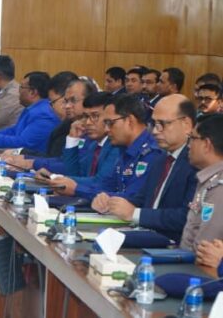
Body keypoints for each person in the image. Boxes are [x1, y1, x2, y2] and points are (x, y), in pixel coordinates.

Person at [92, 95, 197, 242]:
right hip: (147, 235)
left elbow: (186, 217)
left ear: (186, 124)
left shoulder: (195, 163)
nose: (155, 131)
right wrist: (109, 201)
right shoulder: (162, 158)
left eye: (162, 124)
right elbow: (141, 199)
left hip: (172, 244)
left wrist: (134, 214)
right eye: (153, 123)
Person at [81, 94, 166, 201]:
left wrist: (76, 189)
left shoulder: (152, 153)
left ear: (129, 121)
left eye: (110, 123)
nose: (106, 129)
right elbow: (105, 186)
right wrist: (75, 189)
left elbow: (134, 198)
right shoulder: (123, 148)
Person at [0, 71, 60, 153]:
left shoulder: (44, 114)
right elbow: (14, 130)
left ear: (32, 92)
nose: (18, 91)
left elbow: (23, 142)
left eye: (21, 87)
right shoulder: (32, 109)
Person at [180, 115, 223, 263]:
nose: (188, 145)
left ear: (206, 144)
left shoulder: (219, 187)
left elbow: (204, 247)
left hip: (198, 268)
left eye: (192, 138)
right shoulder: (209, 179)